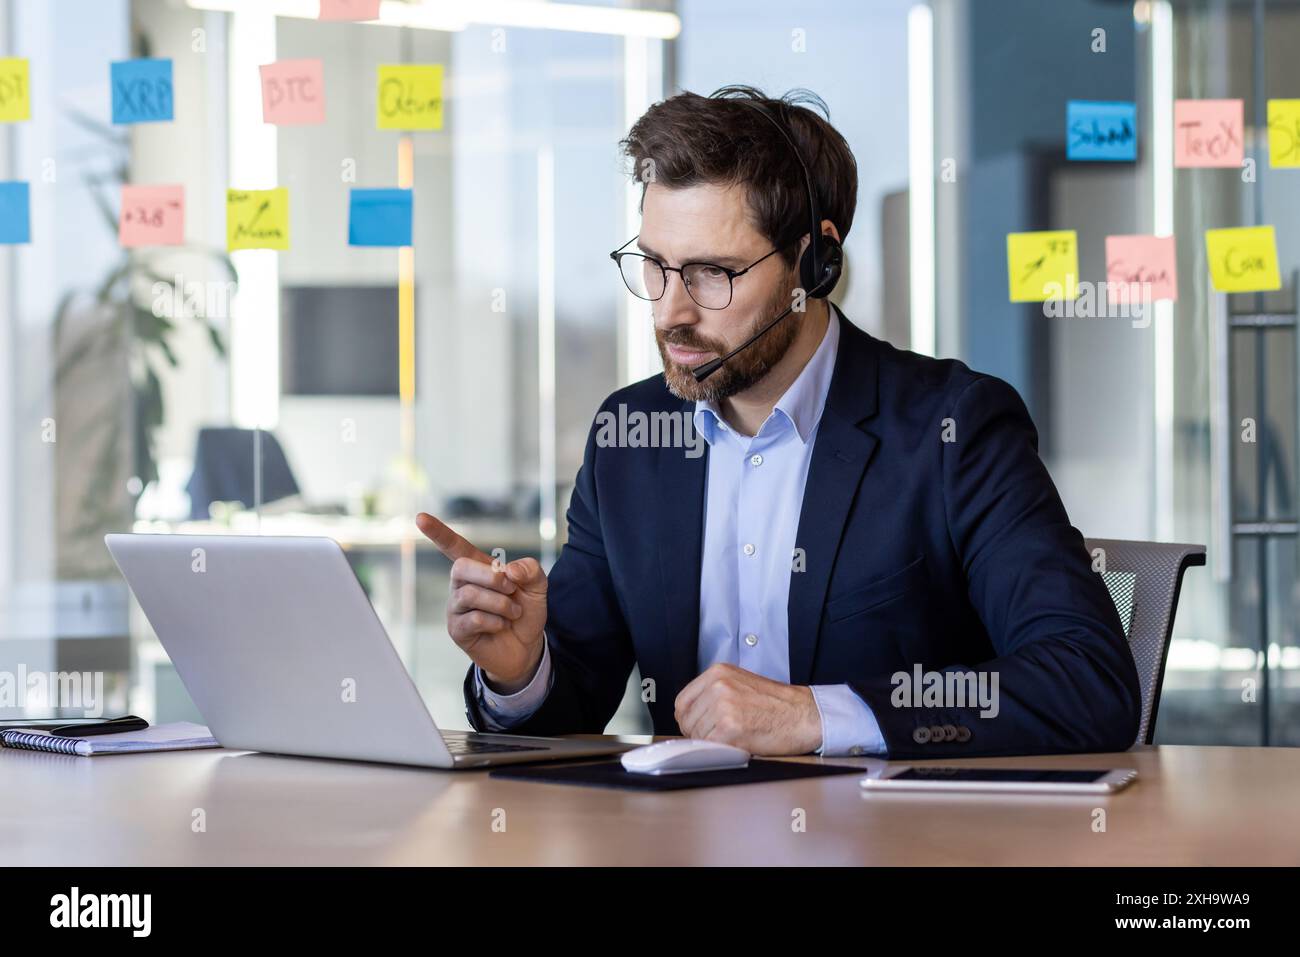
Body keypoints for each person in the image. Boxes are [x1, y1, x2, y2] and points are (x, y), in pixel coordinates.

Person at [417, 85, 1139, 758]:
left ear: (813, 262)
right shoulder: (631, 437)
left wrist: (815, 715)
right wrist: (521, 671)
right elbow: (570, 707)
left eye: (712, 274)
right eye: (655, 266)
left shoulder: (951, 428)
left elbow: (1087, 680)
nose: (670, 310)